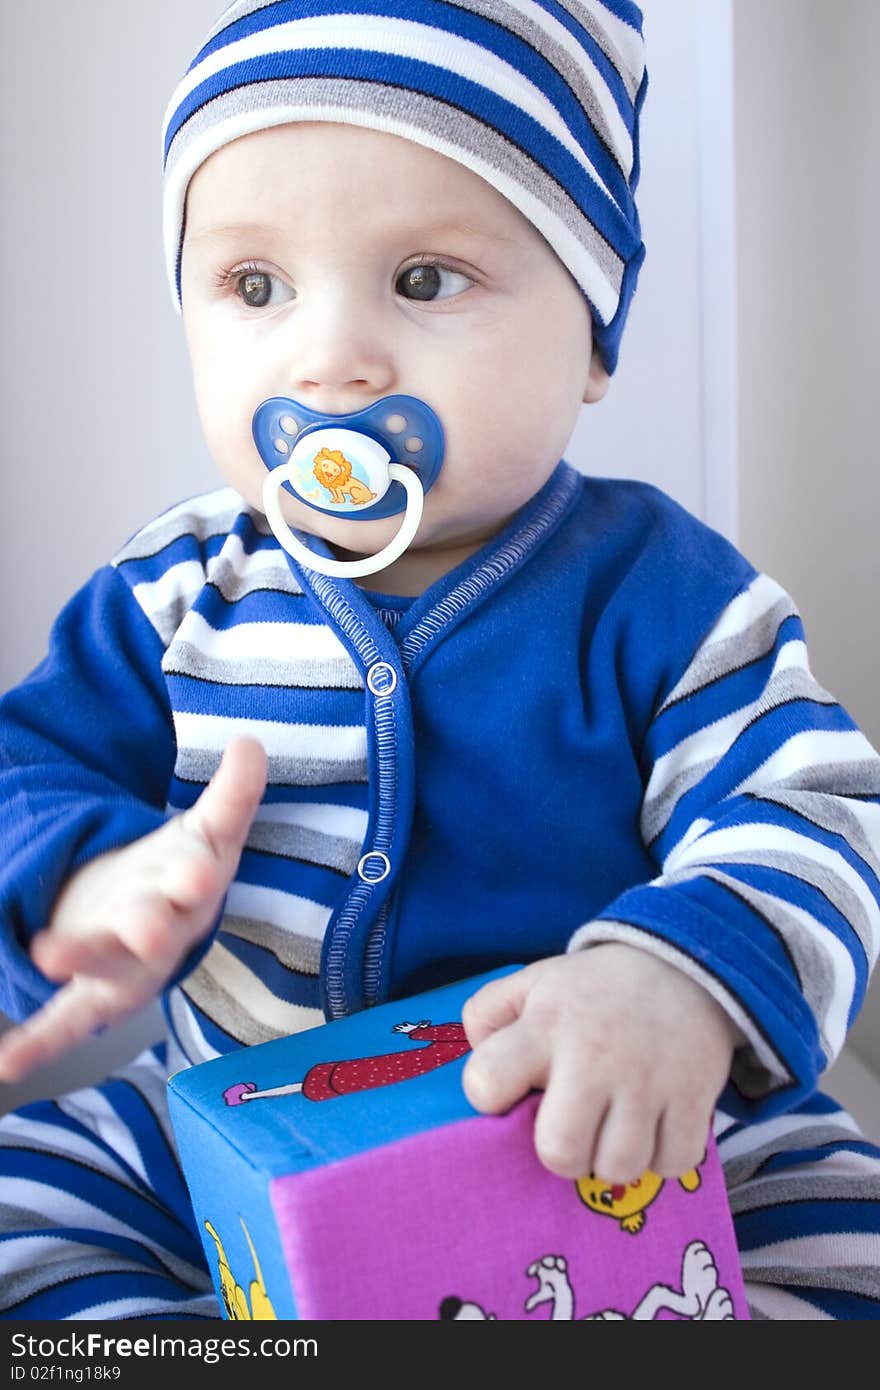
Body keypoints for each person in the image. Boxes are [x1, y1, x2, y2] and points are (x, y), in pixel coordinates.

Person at [0, 0, 878, 1321]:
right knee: (29, 1200)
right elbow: (28, 759)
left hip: (600, 1138)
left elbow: (811, 802)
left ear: (589, 336)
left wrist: (673, 980)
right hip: (225, 1135)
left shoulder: (666, 594)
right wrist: (80, 876)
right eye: (254, 288)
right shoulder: (173, 593)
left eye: (422, 281)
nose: (329, 358)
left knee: (839, 1227)